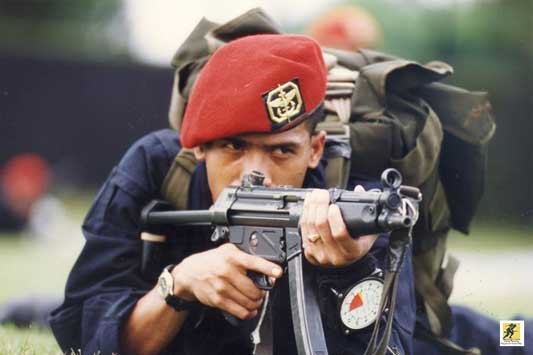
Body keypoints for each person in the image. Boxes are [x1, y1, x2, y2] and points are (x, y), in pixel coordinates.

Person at [50, 34, 416, 355]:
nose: (254, 175)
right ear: (197, 148)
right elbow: (83, 334)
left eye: (281, 151)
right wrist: (178, 284)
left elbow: (394, 345)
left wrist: (350, 269)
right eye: (233, 146)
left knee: (461, 331)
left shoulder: (357, 205)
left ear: (315, 149)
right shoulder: (155, 169)